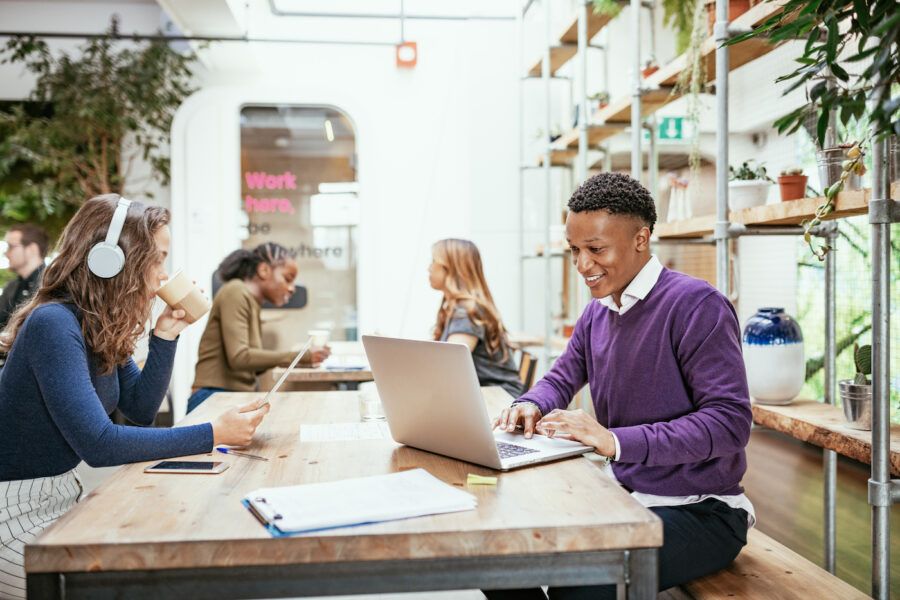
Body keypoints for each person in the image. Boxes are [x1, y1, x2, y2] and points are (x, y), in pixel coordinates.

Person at [488, 173, 754, 599]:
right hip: (620, 491)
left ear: (641, 239)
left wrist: (613, 440)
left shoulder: (697, 306)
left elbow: (729, 424)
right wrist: (531, 404)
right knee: (499, 549)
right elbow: (562, 376)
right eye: (574, 250)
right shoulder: (599, 312)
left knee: (582, 580)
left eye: (596, 249)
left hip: (701, 508)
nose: (582, 265)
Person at [0, 195, 268, 600]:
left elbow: (141, 411)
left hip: (62, 498)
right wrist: (214, 432)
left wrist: (166, 335)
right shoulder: (53, 324)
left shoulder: (95, 324)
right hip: (15, 517)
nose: (163, 275)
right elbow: (100, 443)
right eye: (158, 259)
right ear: (112, 260)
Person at [189, 243, 329, 412]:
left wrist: (300, 360)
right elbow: (240, 358)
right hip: (212, 398)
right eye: (287, 278)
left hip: (227, 397)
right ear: (264, 270)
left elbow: (249, 363)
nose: (292, 289)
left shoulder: (251, 301)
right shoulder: (236, 291)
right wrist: (299, 357)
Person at [429, 238, 523, 398]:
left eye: (433, 261)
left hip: (498, 398)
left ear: (451, 268)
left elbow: (448, 366)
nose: (429, 268)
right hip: (485, 394)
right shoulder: (457, 308)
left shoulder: (467, 312)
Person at [0, 224, 49, 332]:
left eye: (10, 246)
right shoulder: (12, 286)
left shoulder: (50, 285)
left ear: (32, 249)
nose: (6, 253)